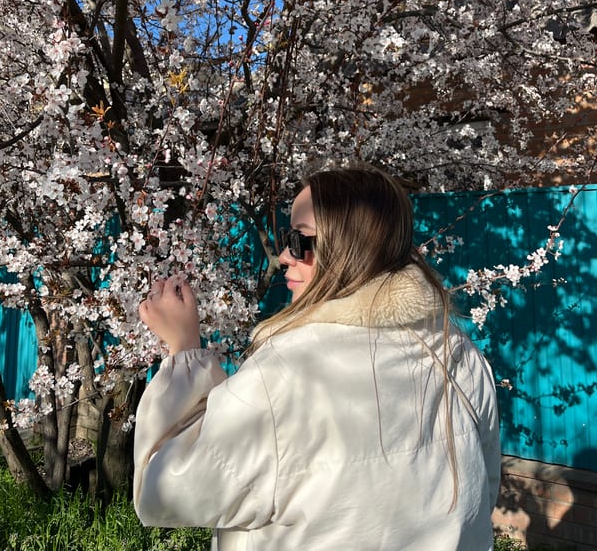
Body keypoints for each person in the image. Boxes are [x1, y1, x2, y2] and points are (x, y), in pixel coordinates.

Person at [134, 166, 501, 550]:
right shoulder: (457, 353)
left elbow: (164, 492)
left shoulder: (287, 372)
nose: (284, 256)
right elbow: (482, 491)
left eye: (300, 240)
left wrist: (183, 351)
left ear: (349, 247)